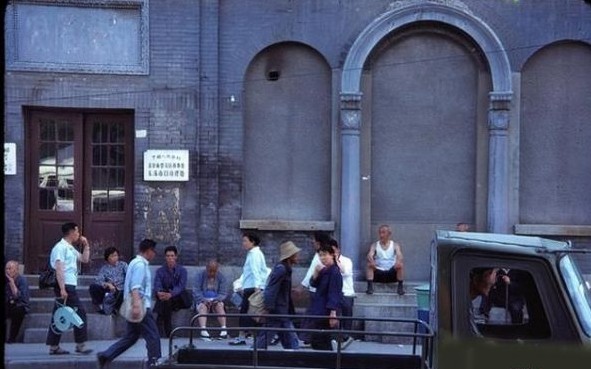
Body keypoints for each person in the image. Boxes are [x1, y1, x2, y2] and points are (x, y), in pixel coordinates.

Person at [97, 239, 161, 369]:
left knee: (131, 337)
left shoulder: (134, 263)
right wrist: (137, 305)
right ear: (148, 251)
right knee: (153, 335)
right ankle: (154, 362)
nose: (154, 254)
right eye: (153, 251)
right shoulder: (140, 265)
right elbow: (135, 287)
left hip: (133, 304)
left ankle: (106, 355)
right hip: (140, 305)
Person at [45, 222, 93, 355]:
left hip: (70, 284)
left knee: (59, 315)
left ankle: (54, 346)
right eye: (77, 232)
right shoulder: (60, 247)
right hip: (65, 285)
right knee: (80, 313)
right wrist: (62, 288)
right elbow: (59, 268)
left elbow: (84, 259)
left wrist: (86, 245)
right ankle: (80, 344)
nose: (78, 234)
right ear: (71, 232)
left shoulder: (70, 248)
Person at [255, 241, 301, 350]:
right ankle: (253, 355)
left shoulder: (285, 269)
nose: (298, 257)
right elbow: (271, 289)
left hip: (281, 310)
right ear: (290, 256)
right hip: (277, 310)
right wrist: (268, 308)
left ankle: (293, 354)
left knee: (285, 335)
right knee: (269, 335)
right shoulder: (281, 269)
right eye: (296, 254)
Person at [229, 232, 268, 346]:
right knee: (250, 312)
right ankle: (250, 336)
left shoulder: (254, 254)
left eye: (245, 241)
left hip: (252, 288)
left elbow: (256, 271)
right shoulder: (253, 253)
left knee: (248, 312)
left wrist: (257, 288)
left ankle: (244, 336)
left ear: (253, 242)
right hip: (249, 286)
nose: (243, 243)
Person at [297, 231, 331, 344]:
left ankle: (305, 337)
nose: (312, 242)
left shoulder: (319, 256)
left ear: (319, 242)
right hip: (317, 289)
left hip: (316, 290)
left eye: (314, 240)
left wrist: (302, 286)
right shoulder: (323, 255)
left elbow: (311, 272)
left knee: (311, 315)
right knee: (313, 315)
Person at [309, 242, 343, 351]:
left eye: (325, 255)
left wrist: (333, 313)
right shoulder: (324, 270)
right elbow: (313, 283)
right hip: (318, 308)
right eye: (320, 255)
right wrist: (315, 272)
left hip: (326, 310)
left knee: (322, 338)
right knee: (317, 338)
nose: (322, 258)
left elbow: (334, 292)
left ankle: (327, 361)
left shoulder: (335, 271)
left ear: (332, 255)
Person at [153, 245, 192, 338]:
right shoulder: (160, 271)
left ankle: (159, 331)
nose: (170, 258)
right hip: (165, 298)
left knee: (165, 302)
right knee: (165, 303)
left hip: (178, 298)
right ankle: (168, 333)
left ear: (176, 257)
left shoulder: (182, 271)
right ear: (165, 257)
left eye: (172, 256)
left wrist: (171, 294)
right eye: (168, 256)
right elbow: (157, 284)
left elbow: (181, 286)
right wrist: (159, 292)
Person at [194, 259, 229, 340]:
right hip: (202, 300)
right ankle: (203, 330)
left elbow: (223, 293)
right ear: (206, 268)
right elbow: (196, 291)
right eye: (210, 271)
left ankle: (223, 329)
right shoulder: (199, 276)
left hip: (216, 300)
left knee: (219, 306)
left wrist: (216, 299)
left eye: (214, 271)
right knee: (202, 307)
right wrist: (203, 300)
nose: (212, 273)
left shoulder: (221, 277)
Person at [365, 225, 405, 295]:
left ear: (389, 234)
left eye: (383, 233)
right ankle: (370, 287)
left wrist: (398, 261)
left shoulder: (395, 245)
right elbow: (369, 255)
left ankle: (400, 287)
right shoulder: (375, 245)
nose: (381, 235)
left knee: (400, 265)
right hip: (379, 272)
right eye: (380, 233)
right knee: (369, 265)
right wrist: (372, 260)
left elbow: (400, 255)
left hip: (391, 272)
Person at [329, 239, 355, 346]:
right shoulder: (327, 262)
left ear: (338, 250)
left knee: (347, 313)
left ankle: (347, 336)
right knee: (335, 314)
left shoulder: (347, 261)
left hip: (347, 291)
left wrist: (336, 262)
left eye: (334, 251)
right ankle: (336, 337)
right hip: (335, 292)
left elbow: (345, 272)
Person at [88, 247, 128, 315]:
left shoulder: (123, 265)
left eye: (116, 255)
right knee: (93, 287)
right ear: (107, 258)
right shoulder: (104, 269)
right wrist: (107, 284)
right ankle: (101, 306)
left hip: (121, 290)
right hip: (110, 290)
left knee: (120, 294)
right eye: (112, 256)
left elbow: (129, 276)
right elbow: (98, 280)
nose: (115, 257)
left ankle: (114, 308)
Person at [5, 260, 30, 343]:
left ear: (16, 270)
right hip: (8, 303)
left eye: (10, 268)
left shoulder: (22, 280)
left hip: (20, 305)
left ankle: (12, 338)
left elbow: (22, 298)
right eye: (6, 269)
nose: (7, 271)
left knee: (18, 311)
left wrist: (12, 283)